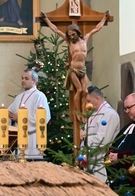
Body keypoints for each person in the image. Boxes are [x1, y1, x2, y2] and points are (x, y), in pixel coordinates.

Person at [41, 11, 110, 152]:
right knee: (79, 90)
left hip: (83, 70)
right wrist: (46, 19)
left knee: (85, 91)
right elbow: (55, 29)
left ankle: (83, 112)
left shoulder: (85, 39)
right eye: (70, 35)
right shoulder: (68, 42)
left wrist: (104, 18)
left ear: (78, 33)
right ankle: (78, 113)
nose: (71, 37)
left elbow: (97, 28)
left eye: (73, 34)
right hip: (73, 70)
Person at [80, 86, 120, 182]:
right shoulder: (94, 113)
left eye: (88, 101)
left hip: (100, 163)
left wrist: (84, 137)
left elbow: (103, 141)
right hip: (90, 160)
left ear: (97, 98)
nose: (87, 104)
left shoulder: (109, 114)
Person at [8, 68, 51, 157]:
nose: (23, 81)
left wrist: (20, 118)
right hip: (18, 138)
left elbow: (42, 118)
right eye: (22, 78)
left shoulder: (39, 96)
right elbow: (10, 112)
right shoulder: (19, 97)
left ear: (34, 81)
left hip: (32, 138)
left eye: (26, 78)